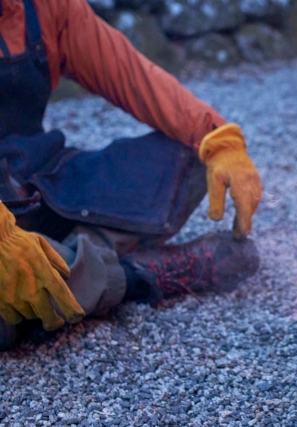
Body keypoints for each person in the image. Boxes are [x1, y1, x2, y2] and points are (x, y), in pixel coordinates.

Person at [0, 0, 262, 349]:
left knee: (188, 158)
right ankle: (135, 275)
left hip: (33, 184)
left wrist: (219, 138)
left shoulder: (46, 8)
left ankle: (56, 278)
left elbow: (132, 76)